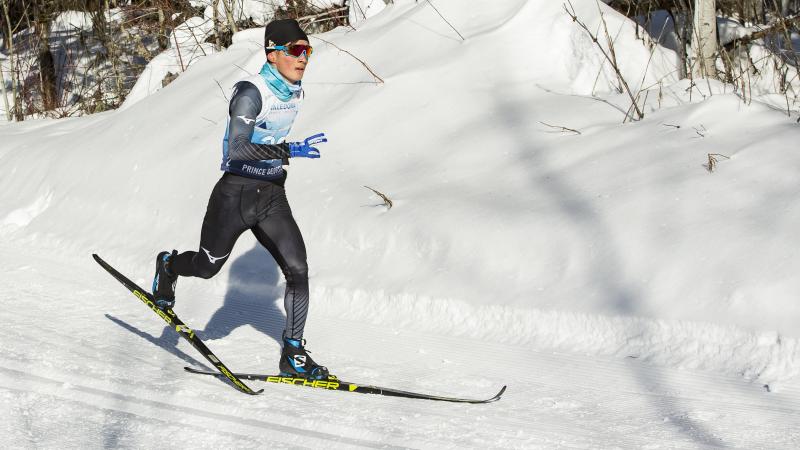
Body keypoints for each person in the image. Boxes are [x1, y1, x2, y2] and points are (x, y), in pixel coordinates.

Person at [150, 19, 329, 381]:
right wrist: (288, 149)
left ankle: (293, 353)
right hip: (236, 194)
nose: (304, 58)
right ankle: (169, 267)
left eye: (307, 50)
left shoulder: (294, 91)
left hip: (272, 195)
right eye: (296, 50)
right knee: (206, 266)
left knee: (298, 270)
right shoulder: (251, 92)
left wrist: (281, 158)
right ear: (272, 53)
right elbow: (236, 149)